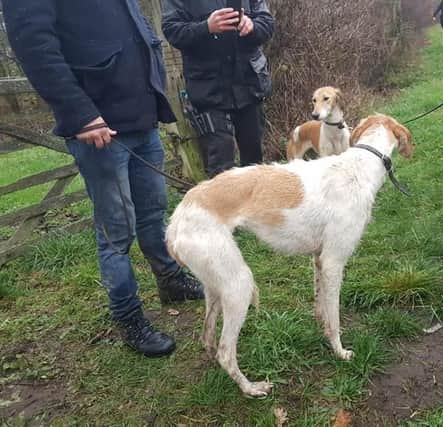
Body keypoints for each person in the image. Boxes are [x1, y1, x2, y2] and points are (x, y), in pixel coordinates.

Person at [3, 0, 204, 357]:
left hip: (140, 117)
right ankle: (128, 316)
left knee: (154, 213)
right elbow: (34, 46)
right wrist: (80, 114)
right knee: (116, 231)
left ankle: (170, 280)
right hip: (99, 127)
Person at [162, 0, 275, 178]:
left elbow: (267, 23)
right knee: (221, 169)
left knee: (254, 164)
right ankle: (221, 204)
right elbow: (172, 30)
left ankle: (253, 205)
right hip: (209, 91)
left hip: (248, 86)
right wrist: (206, 27)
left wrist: (253, 26)